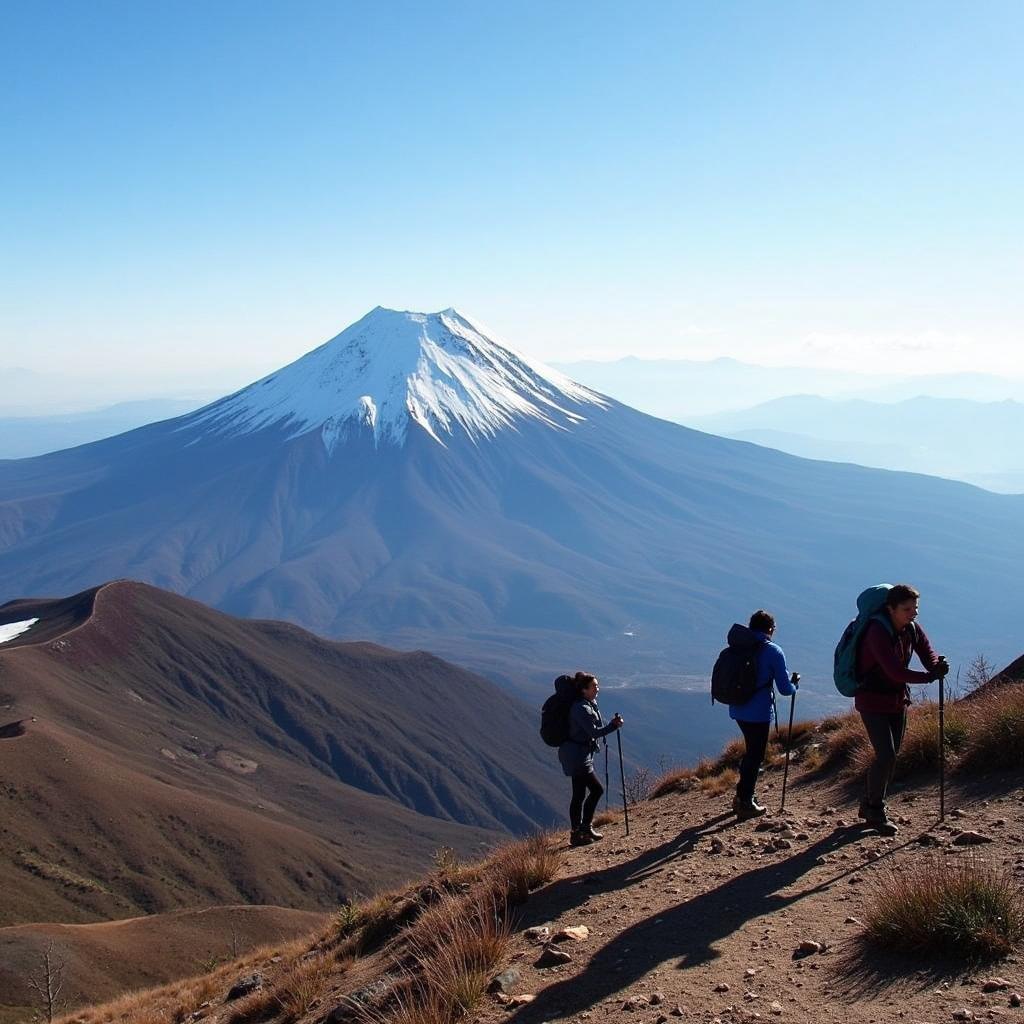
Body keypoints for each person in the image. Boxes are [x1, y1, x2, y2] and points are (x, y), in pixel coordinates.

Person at [855, 583, 947, 834]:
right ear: (891, 608)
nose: (913, 613)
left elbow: (927, 653)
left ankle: (869, 803)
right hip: (872, 700)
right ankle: (875, 810)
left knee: (891, 757)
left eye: (915, 607)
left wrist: (936, 665)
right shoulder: (876, 632)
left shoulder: (911, 629)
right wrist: (930, 677)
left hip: (896, 700)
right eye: (907, 608)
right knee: (886, 755)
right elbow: (894, 672)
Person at [728, 610, 799, 820]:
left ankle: (743, 795)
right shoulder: (773, 651)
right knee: (755, 755)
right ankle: (745, 801)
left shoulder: (739, 646)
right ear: (770, 629)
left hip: (737, 707)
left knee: (751, 752)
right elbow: (785, 689)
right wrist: (795, 685)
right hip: (758, 712)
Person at [557, 671, 623, 847]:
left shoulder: (587, 704)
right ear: (584, 690)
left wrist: (610, 725)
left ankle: (578, 831)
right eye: (594, 686)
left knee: (578, 794)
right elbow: (594, 732)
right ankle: (583, 828)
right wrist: (613, 726)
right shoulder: (581, 708)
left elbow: (593, 729)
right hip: (578, 757)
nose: (597, 688)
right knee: (596, 790)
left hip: (576, 754)